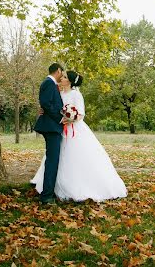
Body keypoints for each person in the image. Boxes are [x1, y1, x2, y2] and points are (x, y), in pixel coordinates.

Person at [32, 70, 127, 203]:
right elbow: (52, 107)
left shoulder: (76, 95)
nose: (62, 79)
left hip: (74, 131)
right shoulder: (59, 93)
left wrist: (71, 118)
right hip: (60, 130)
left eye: (64, 77)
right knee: (56, 157)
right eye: (62, 76)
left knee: (76, 157)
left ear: (70, 81)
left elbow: (81, 114)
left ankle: (78, 187)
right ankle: (52, 187)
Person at [33, 62, 65, 204]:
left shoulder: (51, 84)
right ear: (58, 70)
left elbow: (47, 104)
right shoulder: (48, 83)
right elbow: (45, 103)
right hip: (51, 127)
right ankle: (46, 196)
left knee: (52, 160)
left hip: (52, 127)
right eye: (62, 73)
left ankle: (48, 192)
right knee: (52, 161)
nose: (62, 76)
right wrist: (60, 118)